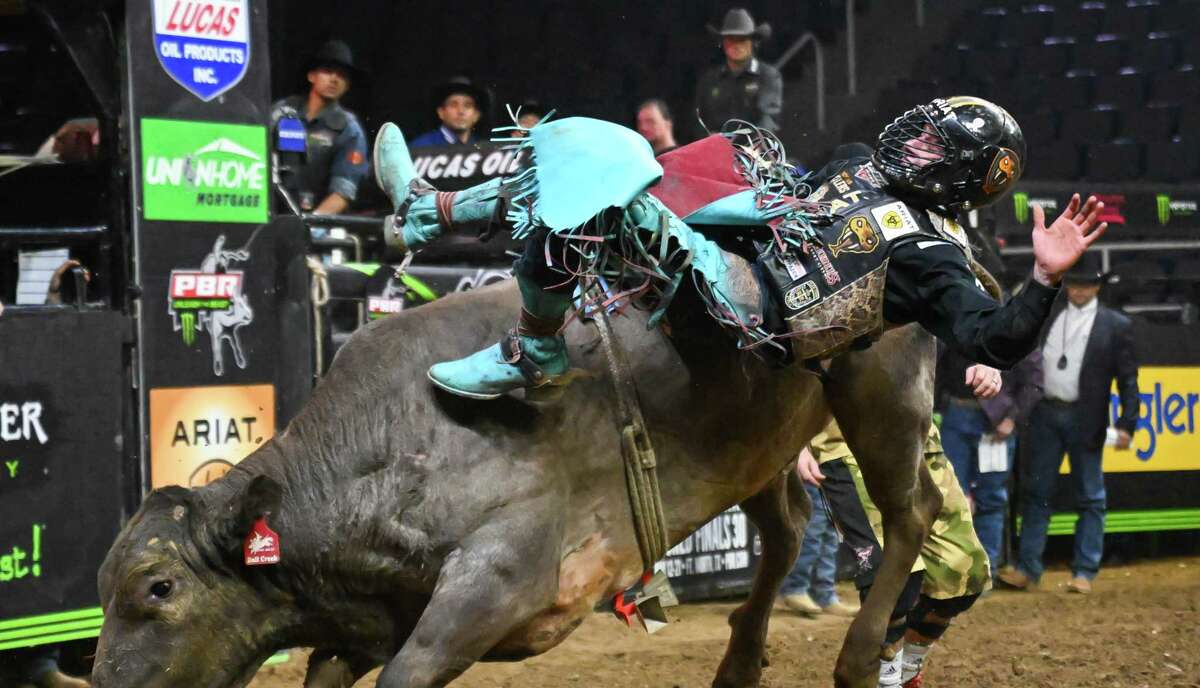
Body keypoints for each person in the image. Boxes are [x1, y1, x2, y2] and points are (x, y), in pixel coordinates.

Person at [372, 95, 1107, 400]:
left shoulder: (930, 254)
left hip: (756, 316)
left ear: (951, 173)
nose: (909, 138)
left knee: (598, 195)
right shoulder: (858, 161)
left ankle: (535, 351)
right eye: (921, 126)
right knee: (588, 161)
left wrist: (1043, 277)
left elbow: (993, 337)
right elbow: (796, 204)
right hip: (744, 246)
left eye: (929, 141)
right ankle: (426, 210)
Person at [800, 378, 997, 688]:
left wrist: (988, 355)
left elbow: (955, 318)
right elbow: (780, 342)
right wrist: (796, 443)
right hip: (844, 441)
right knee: (892, 579)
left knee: (965, 573)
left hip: (916, 431)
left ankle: (906, 684)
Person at [997, 253, 1139, 595]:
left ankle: (1084, 571)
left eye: (1086, 284)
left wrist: (1127, 423)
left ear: (1097, 287)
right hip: (1045, 412)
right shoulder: (1050, 316)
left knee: (1090, 496)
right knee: (1036, 493)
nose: (1078, 290)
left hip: (1085, 417)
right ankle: (1028, 568)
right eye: (1074, 284)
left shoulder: (1116, 325)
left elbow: (1129, 380)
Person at [937, 342, 1043, 573]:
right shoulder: (954, 319)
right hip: (957, 414)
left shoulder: (1014, 325)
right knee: (951, 499)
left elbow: (1034, 382)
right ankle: (955, 573)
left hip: (995, 424)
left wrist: (1012, 418)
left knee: (990, 499)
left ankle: (984, 572)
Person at [271, 39, 369, 214]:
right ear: (311, 76)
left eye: (342, 75)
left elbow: (343, 192)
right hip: (269, 215)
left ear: (347, 85)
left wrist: (310, 227)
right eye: (328, 71)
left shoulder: (349, 129)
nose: (334, 79)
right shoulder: (281, 112)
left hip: (315, 224)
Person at [693, 8, 783, 138]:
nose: (736, 44)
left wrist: (756, 146)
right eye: (731, 39)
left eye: (742, 39)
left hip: (754, 152)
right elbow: (698, 120)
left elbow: (768, 118)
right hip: (715, 151)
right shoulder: (708, 80)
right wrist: (708, 142)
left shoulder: (768, 76)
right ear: (722, 42)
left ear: (753, 42)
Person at [776, 478, 857, 617]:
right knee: (812, 531)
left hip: (828, 471)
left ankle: (823, 594)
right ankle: (795, 588)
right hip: (809, 471)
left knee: (828, 535)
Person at [408, 77, 490, 147]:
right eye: (453, 105)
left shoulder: (484, 151)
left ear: (476, 115)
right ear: (441, 112)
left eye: (467, 105)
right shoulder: (421, 147)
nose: (461, 111)